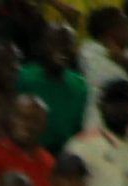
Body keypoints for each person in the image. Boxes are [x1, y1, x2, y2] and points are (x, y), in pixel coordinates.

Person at [16, 19, 87, 148]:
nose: (63, 49)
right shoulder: (23, 77)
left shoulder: (80, 86)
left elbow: (77, 130)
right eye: (56, 43)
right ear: (43, 46)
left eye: (68, 44)